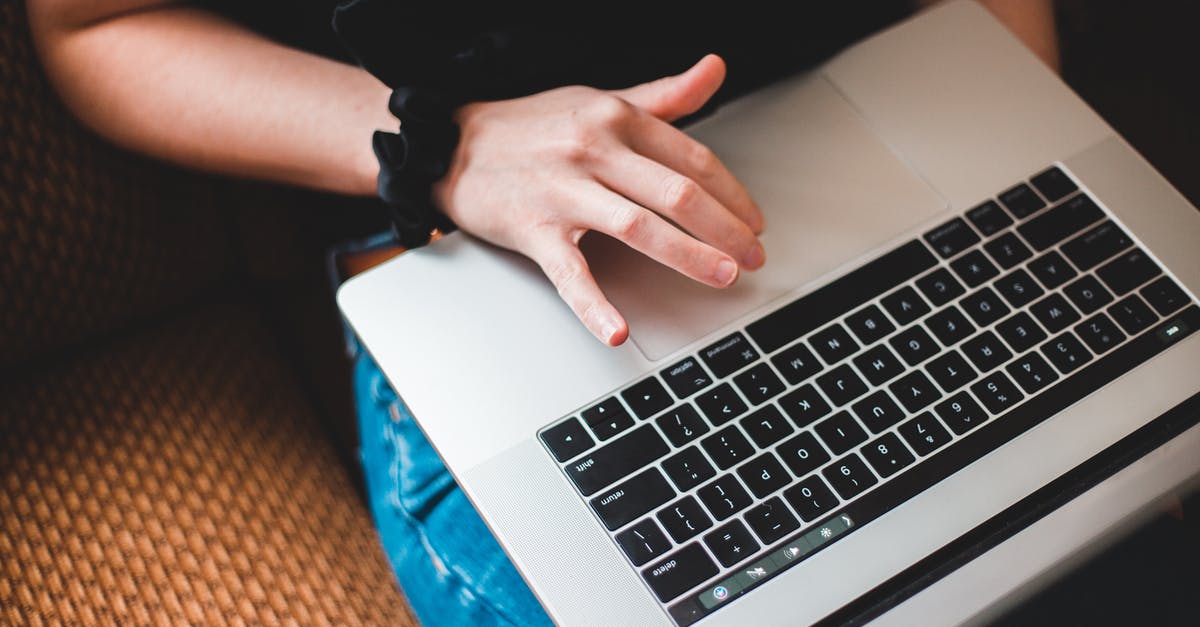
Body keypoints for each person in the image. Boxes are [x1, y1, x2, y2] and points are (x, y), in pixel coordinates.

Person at [27, 2, 1059, 625]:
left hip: (897, 142)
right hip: (488, 253)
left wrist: (1019, 154)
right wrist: (447, 150)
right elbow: (98, 25)